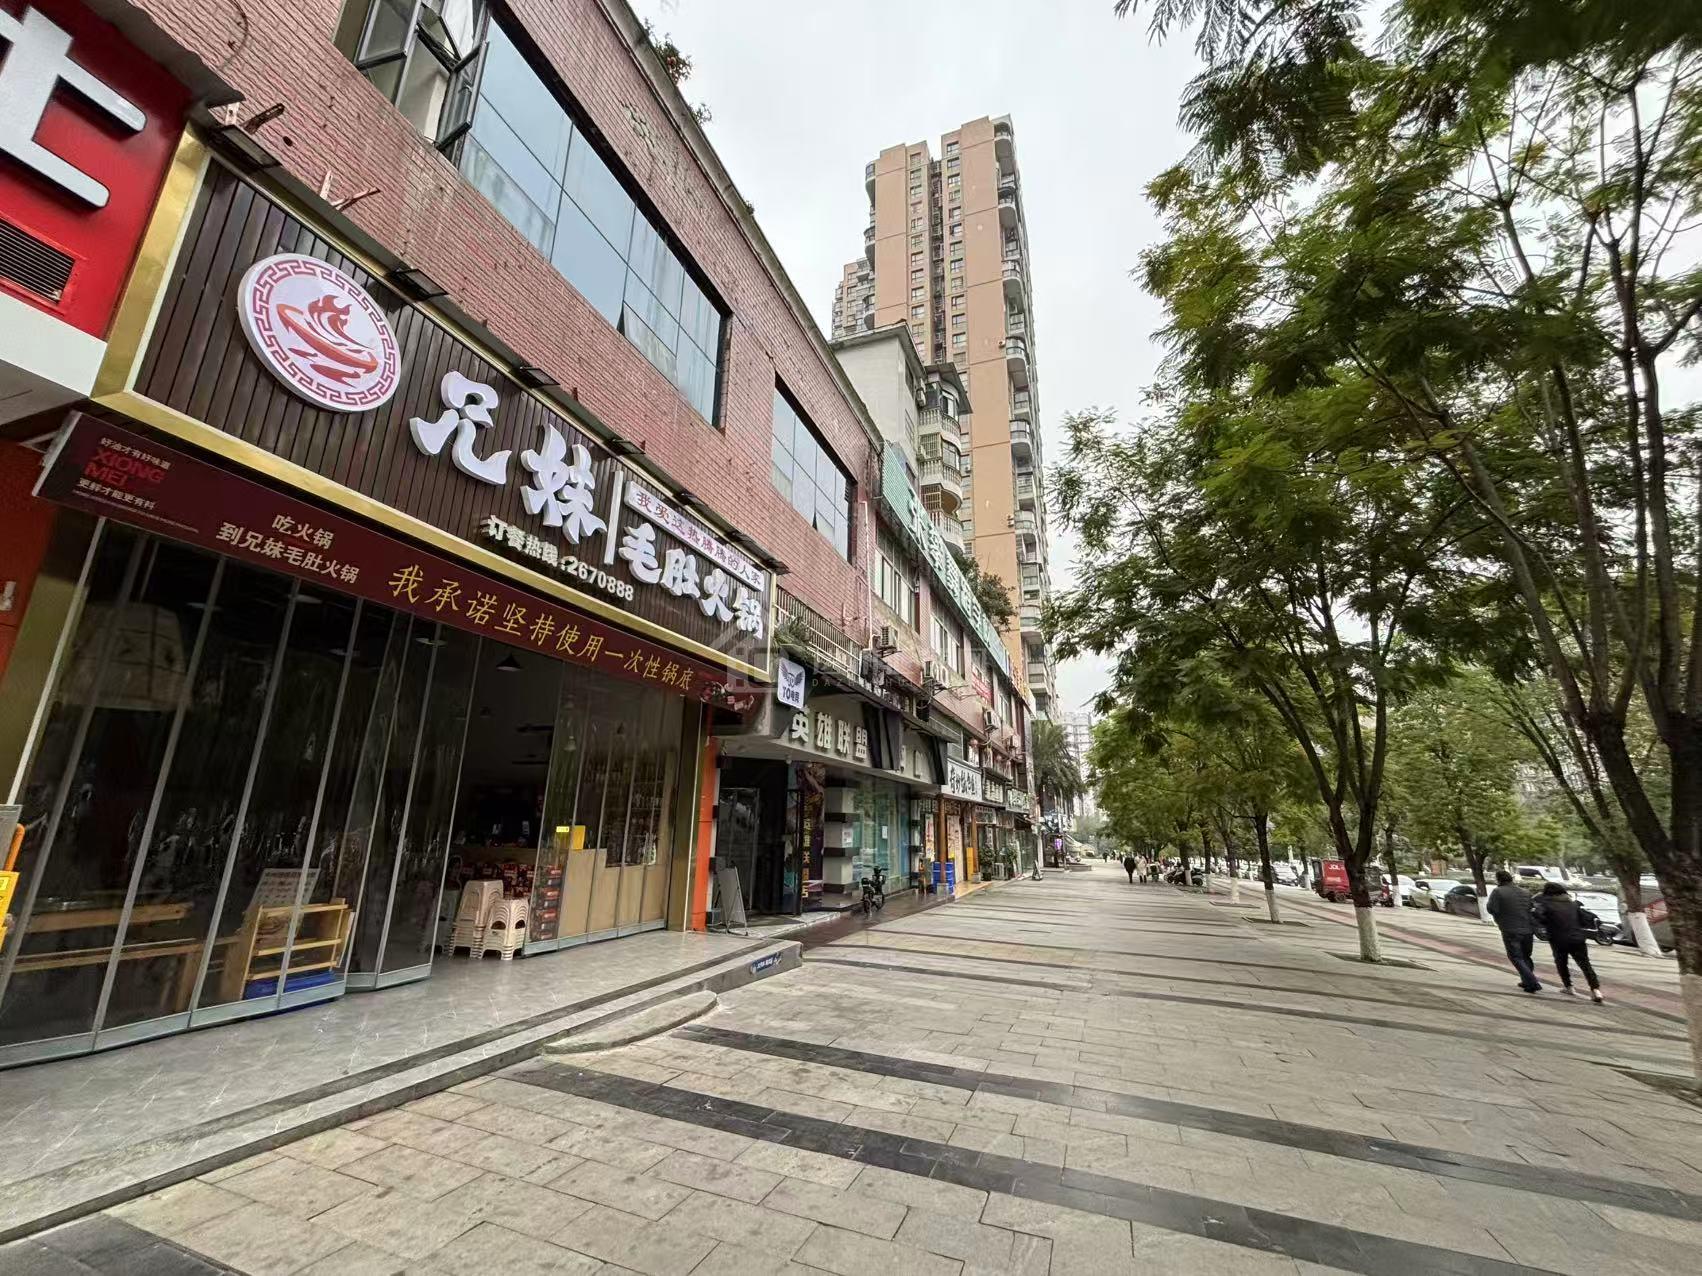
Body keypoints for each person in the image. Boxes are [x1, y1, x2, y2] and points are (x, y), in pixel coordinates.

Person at [1533, 881, 1605, 1002]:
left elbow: (1540, 918)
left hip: (1558, 939)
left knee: (1561, 963)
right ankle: (1596, 990)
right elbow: (1581, 919)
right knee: (1585, 964)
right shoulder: (1572, 904)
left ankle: (1568, 987)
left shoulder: (1546, 904)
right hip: (1577, 938)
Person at [1485, 870, 1542, 993]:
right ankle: (1526, 981)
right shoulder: (1525, 892)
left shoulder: (1498, 891)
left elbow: (1491, 908)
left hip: (1510, 929)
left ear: (1498, 879)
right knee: (1526, 956)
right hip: (1528, 929)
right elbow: (1531, 908)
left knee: (1515, 956)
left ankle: (1532, 982)